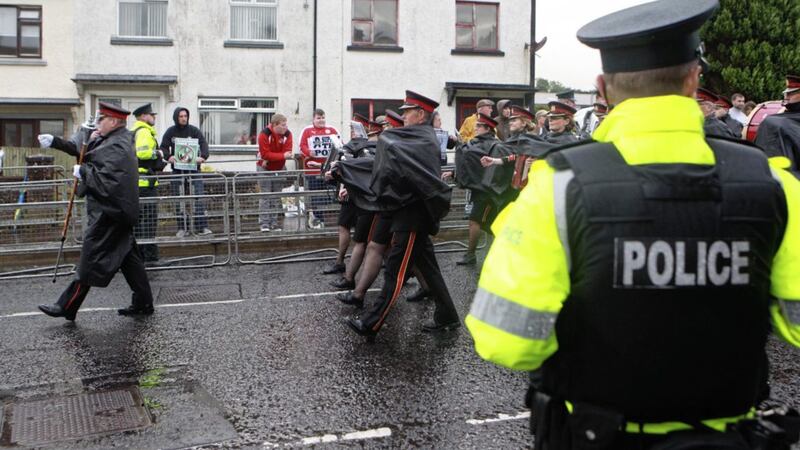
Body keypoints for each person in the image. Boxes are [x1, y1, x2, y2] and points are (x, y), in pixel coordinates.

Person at [467, 1, 800, 448]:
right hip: (727, 435)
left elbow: (505, 340)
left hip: (596, 432)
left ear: (602, 89)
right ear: (694, 79)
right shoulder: (773, 182)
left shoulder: (558, 186)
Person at [344, 90, 460, 338]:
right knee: (429, 270)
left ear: (420, 114)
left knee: (394, 270)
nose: (403, 116)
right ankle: (447, 316)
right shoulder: (415, 137)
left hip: (412, 216)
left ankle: (371, 322)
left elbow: (406, 170)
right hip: (408, 213)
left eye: (407, 112)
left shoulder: (422, 139)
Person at [37, 102, 155, 320]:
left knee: (91, 257)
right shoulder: (109, 139)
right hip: (115, 211)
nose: (98, 123)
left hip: (111, 213)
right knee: (130, 259)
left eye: (102, 119)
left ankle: (67, 306)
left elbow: (114, 181)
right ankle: (144, 302)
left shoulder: (117, 145)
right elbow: (83, 149)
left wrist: (84, 172)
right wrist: (56, 142)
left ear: (113, 122)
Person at [448, 113, 503, 266]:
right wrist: (454, 173)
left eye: (479, 126)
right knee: (488, 223)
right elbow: (470, 163)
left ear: (488, 128)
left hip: (487, 191)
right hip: (478, 189)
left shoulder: (495, 145)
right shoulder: (475, 143)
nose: (475, 127)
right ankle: (502, 250)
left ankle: (471, 254)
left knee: (475, 221)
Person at [323, 114, 370, 275]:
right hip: (355, 194)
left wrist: (346, 186)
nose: (352, 131)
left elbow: (358, 171)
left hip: (353, 195)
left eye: (354, 128)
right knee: (368, 237)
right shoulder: (358, 146)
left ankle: (341, 263)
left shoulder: (363, 147)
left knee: (347, 229)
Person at [160, 107, 212, 238]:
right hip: (178, 171)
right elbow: (163, 147)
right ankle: (182, 228)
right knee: (179, 200)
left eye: (185, 116)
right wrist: (168, 157)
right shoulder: (170, 132)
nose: (184, 118)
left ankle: (202, 227)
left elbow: (203, 144)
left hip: (194, 170)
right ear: (176, 117)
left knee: (198, 198)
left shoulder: (194, 130)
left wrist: (203, 157)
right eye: (181, 116)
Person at [131, 103, 164, 264]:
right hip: (145, 184)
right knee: (149, 221)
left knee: (139, 222)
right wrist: (158, 153)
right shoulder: (143, 131)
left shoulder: (135, 131)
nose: (154, 117)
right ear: (144, 116)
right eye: (152, 115)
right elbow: (142, 152)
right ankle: (149, 256)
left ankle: (140, 256)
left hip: (137, 184)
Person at [299, 108, 341, 229]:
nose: (321, 120)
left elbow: (339, 144)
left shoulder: (332, 130)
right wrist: (308, 152)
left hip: (329, 169)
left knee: (331, 193)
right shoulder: (307, 131)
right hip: (312, 170)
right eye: (318, 118)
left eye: (323, 117)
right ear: (313, 119)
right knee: (315, 195)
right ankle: (318, 219)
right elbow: (301, 146)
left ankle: (330, 219)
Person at [755, 75, 800, 172]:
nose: (786, 97)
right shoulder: (777, 120)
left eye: (791, 93)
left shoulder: (773, 122)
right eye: (786, 94)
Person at [256, 113, 293, 232]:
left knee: (276, 196)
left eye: (286, 124)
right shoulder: (264, 134)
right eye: (283, 125)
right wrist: (281, 155)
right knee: (265, 196)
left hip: (279, 167)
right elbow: (266, 154)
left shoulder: (288, 134)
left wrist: (275, 157)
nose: (285, 127)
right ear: (275, 125)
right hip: (264, 168)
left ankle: (274, 223)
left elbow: (288, 152)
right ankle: (264, 224)